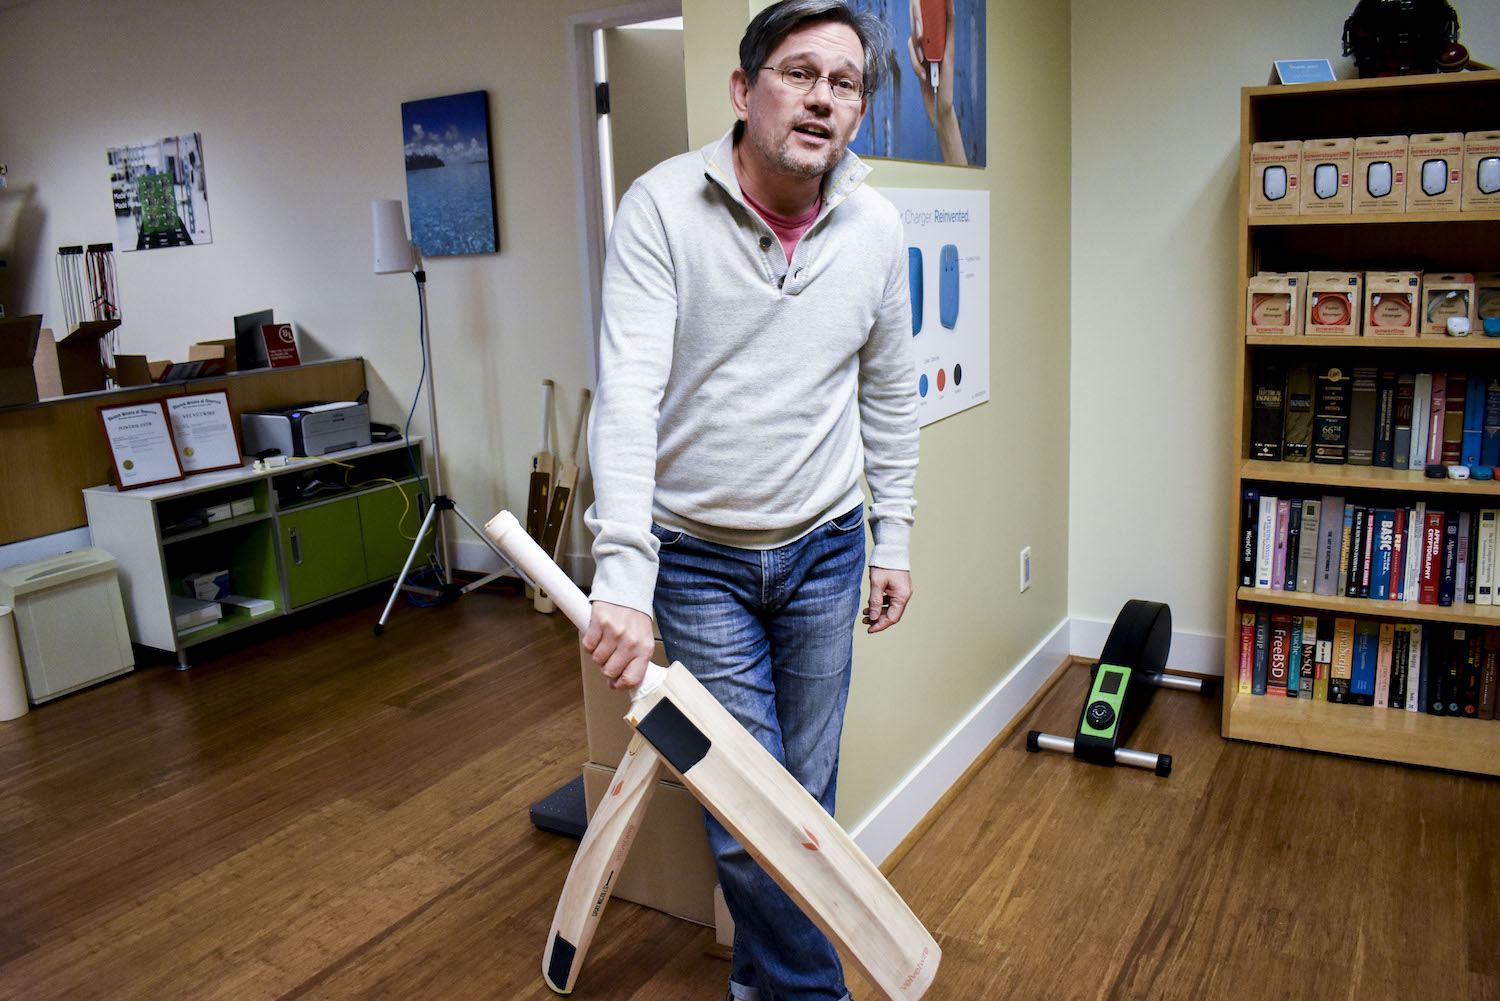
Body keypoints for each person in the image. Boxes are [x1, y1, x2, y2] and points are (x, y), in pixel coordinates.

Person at [581, 1, 919, 998]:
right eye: (799, 72)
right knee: (747, 815)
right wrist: (625, 575)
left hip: (825, 551)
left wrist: (892, 537)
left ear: (858, 111)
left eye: (845, 83)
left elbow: (889, 392)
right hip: (698, 562)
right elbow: (628, 399)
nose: (822, 98)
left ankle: (766, 988)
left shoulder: (877, 226)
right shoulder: (659, 207)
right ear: (744, 89)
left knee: (801, 803)